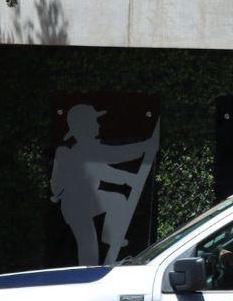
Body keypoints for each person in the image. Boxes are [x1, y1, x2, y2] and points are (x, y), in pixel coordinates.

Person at [49, 105, 160, 266]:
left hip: (84, 202)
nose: (98, 125)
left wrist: (128, 178)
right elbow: (116, 155)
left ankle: (111, 238)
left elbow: (104, 171)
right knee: (89, 246)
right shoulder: (85, 150)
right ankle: (91, 270)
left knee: (116, 200)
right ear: (84, 126)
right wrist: (144, 146)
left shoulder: (83, 151)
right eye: (94, 122)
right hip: (77, 206)